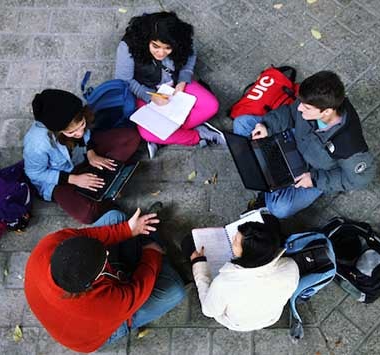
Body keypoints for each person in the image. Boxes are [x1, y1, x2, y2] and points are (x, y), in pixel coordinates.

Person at [24, 206, 185, 353]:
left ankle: (143, 244)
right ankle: (152, 245)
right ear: (89, 284)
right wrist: (152, 253)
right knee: (174, 291)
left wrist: (128, 229)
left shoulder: (49, 244)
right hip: (95, 330)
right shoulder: (95, 305)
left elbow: (87, 235)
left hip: (92, 301)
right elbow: (135, 291)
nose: (106, 253)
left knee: (116, 218)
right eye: (102, 263)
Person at [233, 71, 375, 218]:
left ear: (326, 112)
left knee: (280, 208)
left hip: (313, 171)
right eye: (301, 103)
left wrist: (314, 179)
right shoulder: (312, 103)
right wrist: (267, 126)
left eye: (306, 108)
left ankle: (266, 180)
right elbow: (291, 112)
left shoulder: (350, 146)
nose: (300, 108)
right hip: (294, 141)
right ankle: (269, 180)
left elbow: (361, 179)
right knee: (242, 123)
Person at [115, 11, 224, 159]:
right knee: (146, 133)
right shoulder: (128, 46)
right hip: (146, 90)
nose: (161, 53)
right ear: (147, 39)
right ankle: (198, 135)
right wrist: (149, 97)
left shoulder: (182, 40)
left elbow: (190, 57)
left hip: (175, 84)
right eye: (155, 46)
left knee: (211, 106)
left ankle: (165, 136)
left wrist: (183, 80)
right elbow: (124, 80)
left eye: (167, 48)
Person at [23, 89, 141, 224]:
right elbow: (34, 173)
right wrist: (73, 179)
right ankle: (104, 190)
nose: (79, 133)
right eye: (72, 132)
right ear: (57, 131)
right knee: (87, 215)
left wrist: (91, 152)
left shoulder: (77, 109)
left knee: (130, 137)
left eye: (82, 124)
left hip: (82, 157)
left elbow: (86, 135)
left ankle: (103, 180)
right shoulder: (37, 144)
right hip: (60, 179)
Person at [181, 220, 299, 331]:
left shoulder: (223, 284)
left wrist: (199, 265)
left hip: (237, 323)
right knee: (270, 220)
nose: (232, 239)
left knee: (188, 243)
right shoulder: (291, 266)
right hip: (270, 317)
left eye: (236, 241)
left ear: (248, 254)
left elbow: (208, 311)